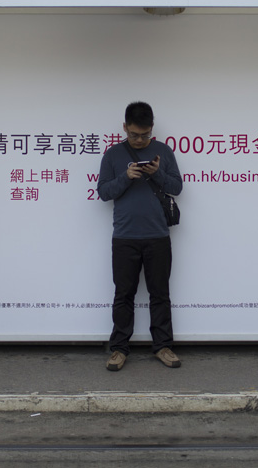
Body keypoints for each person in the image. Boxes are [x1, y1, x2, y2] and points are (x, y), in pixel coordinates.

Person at [97, 101, 183, 371]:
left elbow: (177, 187)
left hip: (158, 235)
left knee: (160, 294)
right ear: (124, 127)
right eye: (134, 134)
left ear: (152, 128)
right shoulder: (113, 155)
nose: (139, 140)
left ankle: (163, 346)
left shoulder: (163, 152)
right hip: (125, 236)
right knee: (123, 295)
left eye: (145, 135)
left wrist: (157, 174)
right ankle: (119, 349)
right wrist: (126, 177)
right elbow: (103, 192)